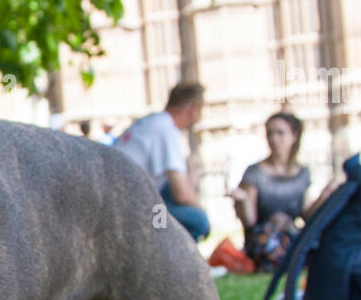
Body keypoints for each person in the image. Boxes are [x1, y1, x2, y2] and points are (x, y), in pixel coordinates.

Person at [229, 111, 335, 270]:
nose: (274, 139)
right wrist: (242, 200)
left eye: (280, 133)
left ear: (294, 136)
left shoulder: (302, 173)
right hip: (264, 238)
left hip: (290, 234)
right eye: (270, 134)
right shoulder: (255, 172)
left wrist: (324, 197)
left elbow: (306, 215)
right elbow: (249, 221)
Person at [114, 82, 210, 241]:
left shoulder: (154, 121)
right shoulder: (166, 130)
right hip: (131, 212)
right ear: (192, 109)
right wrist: (203, 211)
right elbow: (182, 195)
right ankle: (173, 261)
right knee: (198, 221)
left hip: (125, 203)